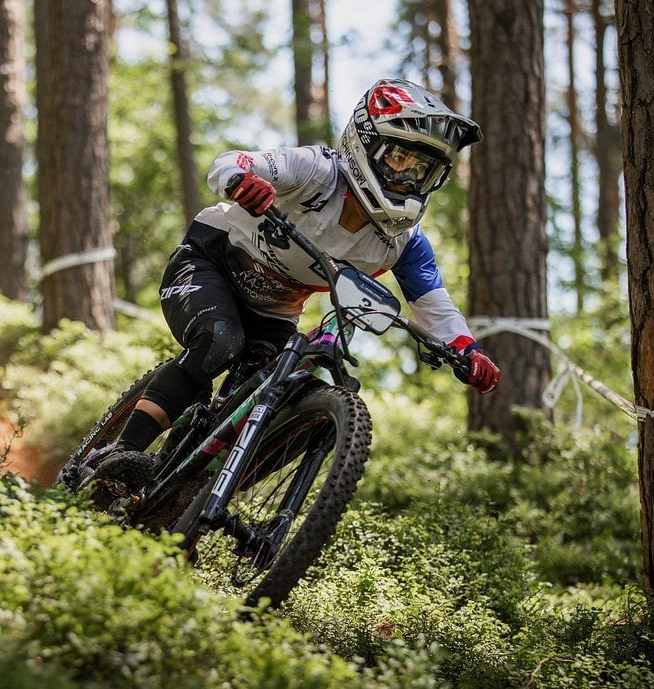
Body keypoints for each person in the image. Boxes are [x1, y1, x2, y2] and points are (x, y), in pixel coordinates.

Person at [87, 78, 499, 484]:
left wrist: (468, 350)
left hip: (274, 313)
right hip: (209, 263)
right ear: (366, 144)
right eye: (399, 160)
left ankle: (183, 492)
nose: (407, 179)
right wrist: (239, 182)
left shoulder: (402, 241)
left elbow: (433, 303)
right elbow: (233, 162)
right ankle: (118, 452)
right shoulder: (315, 171)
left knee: (278, 396)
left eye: (422, 171)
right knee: (220, 341)